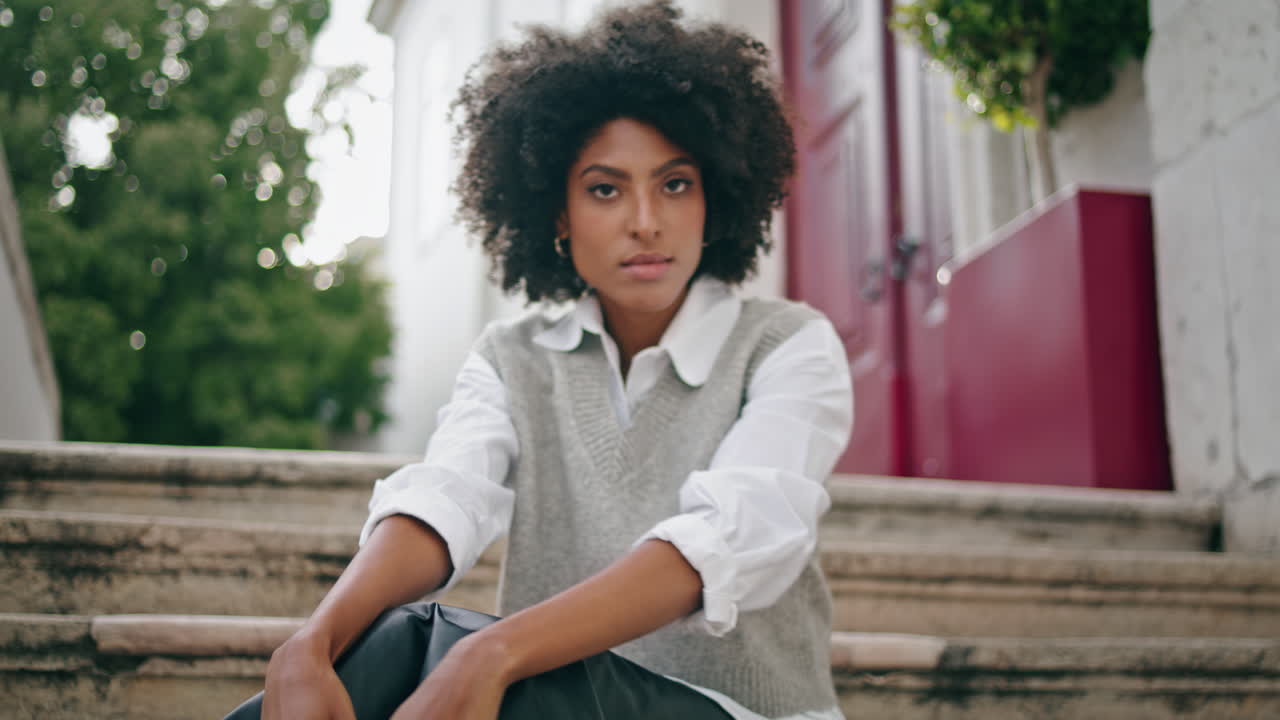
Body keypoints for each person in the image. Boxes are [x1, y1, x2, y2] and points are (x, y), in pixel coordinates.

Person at [225, 2, 852, 718]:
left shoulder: (790, 345)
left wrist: (491, 652)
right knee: (393, 639)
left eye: (675, 184)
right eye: (605, 189)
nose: (645, 220)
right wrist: (310, 642)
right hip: (547, 701)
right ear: (557, 213)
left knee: (464, 653)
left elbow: (728, 538)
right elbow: (446, 496)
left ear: (715, 197)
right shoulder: (511, 357)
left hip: (736, 712)